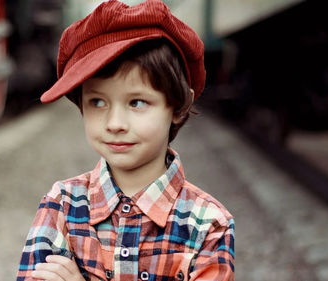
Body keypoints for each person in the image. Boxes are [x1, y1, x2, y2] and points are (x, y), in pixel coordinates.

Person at [16, 0, 235, 280]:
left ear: (178, 107)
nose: (115, 124)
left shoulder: (208, 223)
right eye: (97, 102)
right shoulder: (61, 205)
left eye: (137, 102)